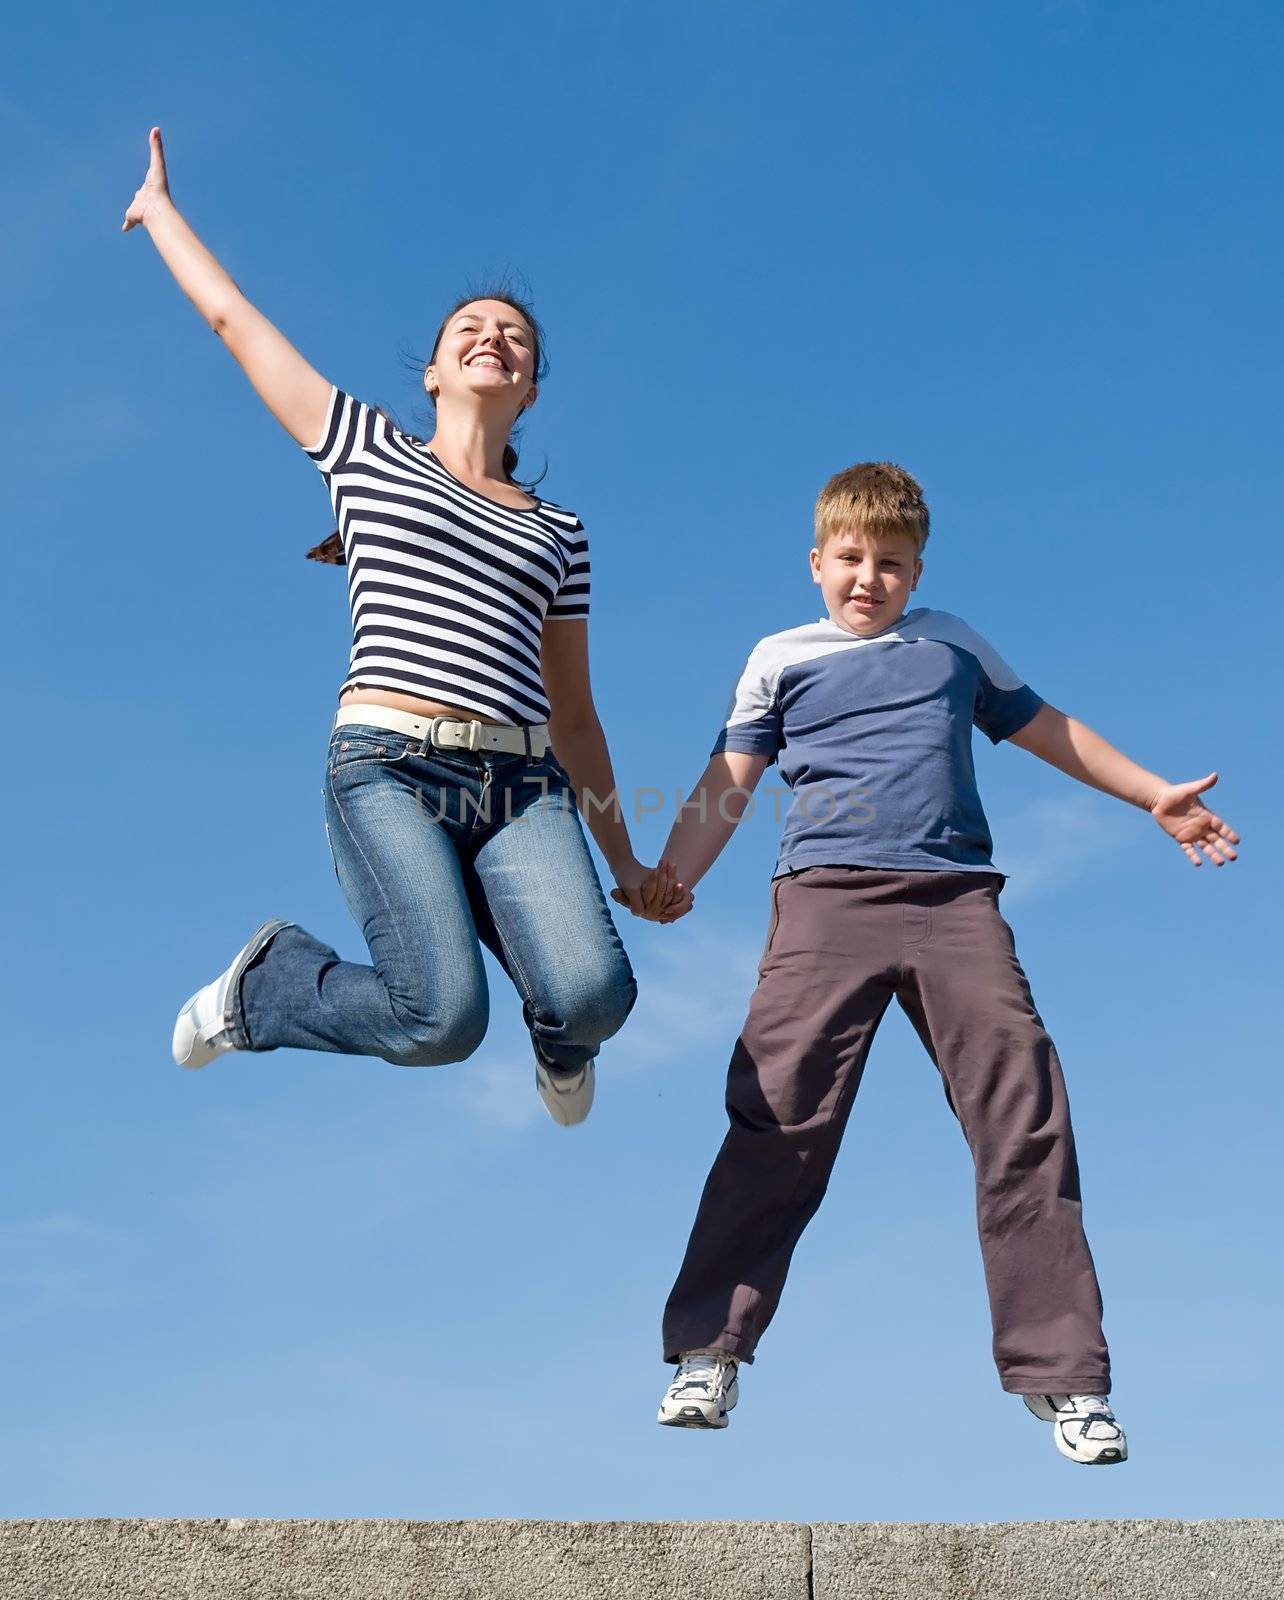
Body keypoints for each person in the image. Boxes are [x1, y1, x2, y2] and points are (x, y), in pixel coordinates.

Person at [622, 461, 1239, 1462]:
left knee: (1024, 1116)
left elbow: (1050, 730)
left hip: (957, 906)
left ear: (917, 571)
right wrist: (672, 874)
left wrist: (1151, 794)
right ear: (817, 561)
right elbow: (727, 777)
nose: (870, 578)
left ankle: (1066, 1379)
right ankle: (707, 1346)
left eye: (892, 563)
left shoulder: (951, 643)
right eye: (852, 559)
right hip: (824, 905)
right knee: (777, 1114)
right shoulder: (779, 657)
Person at [123, 127, 687, 1125]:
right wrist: (163, 213)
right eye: (472, 325)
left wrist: (629, 861)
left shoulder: (561, 530)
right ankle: (266, 985)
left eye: (514, 336)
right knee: (440, 1020)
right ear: (431, 370)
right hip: (386, 765)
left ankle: (557, 1028)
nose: (493, 336)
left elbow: (579, 716)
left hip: (521, 785)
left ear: (531, 387)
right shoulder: (368, 452)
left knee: (600, 996)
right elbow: (234, 322)